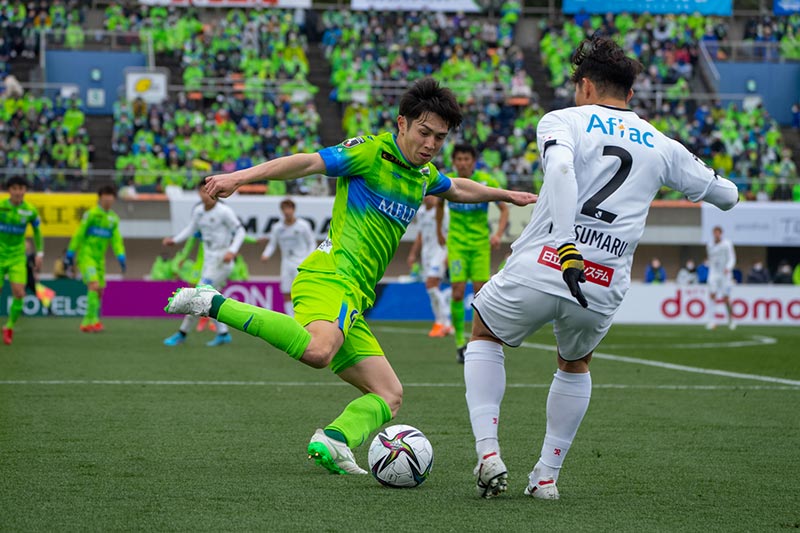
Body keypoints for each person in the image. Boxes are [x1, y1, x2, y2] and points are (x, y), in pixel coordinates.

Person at [163, 78, 537, 476]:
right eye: (424, 132)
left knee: (389, 394)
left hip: (355, 296)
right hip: (331, 276)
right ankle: (212, 302)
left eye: (440, 138)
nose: (431, 144)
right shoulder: (370, 153)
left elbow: (458, 189)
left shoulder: (423, 174)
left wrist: (506, 195)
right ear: (402, 124)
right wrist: (239, 177)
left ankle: (336, 439)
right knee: (318, 352)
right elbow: (307, 162)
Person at [460, 36, 738, 500]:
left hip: (545, 262)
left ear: (586, 86)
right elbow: (727, 196)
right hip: (603, 282)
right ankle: (545, 478)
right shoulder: (662, 144)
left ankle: (489, 452)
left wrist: (566, 245)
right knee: (575, 363)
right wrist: (702, 177)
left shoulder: (562, 120)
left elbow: (560, 172)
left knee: (485, 333)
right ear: (629, 93)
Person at [437, 144, 509, 362]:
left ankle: (477, 341)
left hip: (480, 245)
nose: (462, 163)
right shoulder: (447, 181)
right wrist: (439, 231)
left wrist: (498, 234)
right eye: (458, 159)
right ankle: (460, 343)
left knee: (480, 294)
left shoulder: (485, 181)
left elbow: (504, 208)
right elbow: (439, 206)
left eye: (466, 159)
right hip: (457, 244)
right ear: (454, 161)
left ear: (473, 161)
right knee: (458, 292)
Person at [162, 182, 245, 347]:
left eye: (208, 191)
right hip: (208, 261)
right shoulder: (199, 211)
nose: (206, 194)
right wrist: (175, 240)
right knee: (211, 299)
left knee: (199, 295)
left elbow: (241, 231)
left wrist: (232, 250)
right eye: (202, 191)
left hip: (222, 260)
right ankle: (223, 333)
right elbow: (190, 229)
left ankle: (182, 333)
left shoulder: (224, 211)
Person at [66, 185, 126, 333]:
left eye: (111, 196)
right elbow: (79, 233)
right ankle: (90, 321)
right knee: (93, 285)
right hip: (87, 256)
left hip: (100, 259)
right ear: (100, 198)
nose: (108, 199)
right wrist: (71, 251)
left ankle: (91, 321)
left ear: (114, 199)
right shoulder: (91, 215)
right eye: (105, 196)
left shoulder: (113, 219)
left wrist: (120, 255)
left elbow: (116, 240)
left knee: (100, 291)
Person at [0, 177, 43, 345]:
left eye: (21, 188)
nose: (18, 192)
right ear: (9, 190)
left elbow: (37, 232)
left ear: (25, 190)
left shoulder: (30, 211)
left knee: (19, 293)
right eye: (15, 188)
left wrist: (40, 253)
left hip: (17, 257)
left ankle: (9, 326)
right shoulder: (1, 206)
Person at [260, 198, 317, 317]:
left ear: (293, 210)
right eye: (284, 209)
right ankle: (292, 318)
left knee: (301, 290)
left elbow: (312, 242)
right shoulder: (277, 227)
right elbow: (272, 244)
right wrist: (266, 254)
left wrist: (309, 258)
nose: (287, 211)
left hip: (301, 262)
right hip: (286, 263)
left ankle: (304, 316)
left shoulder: (303, 225)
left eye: (289, 208)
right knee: (286, 291)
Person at [407, 195, 452, 337]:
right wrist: (413, 254)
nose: (429, 197)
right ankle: (444, 323)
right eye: (427, 194)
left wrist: (449, 255)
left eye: (432, 194)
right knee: (432, 289)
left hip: (440, 251)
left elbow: (450, 234)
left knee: (431, 284)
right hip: (426, 253)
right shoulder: (421, 212)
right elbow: (420, 235)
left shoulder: (444, 211)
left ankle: (442, 322)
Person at [705, 226, 737, 330]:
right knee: (712, 295)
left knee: (726, 298)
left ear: (721, 233)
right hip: (714, 273)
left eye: (718, 233)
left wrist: (728, 267)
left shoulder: (727, 244)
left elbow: (732, 258)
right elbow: (710, 259)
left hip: (725, 274)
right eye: (714, 233)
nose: (716, 235)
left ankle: (731, 319)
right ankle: (712, 320)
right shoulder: (709, 245)